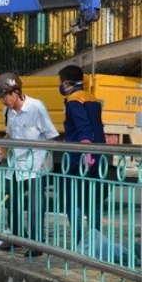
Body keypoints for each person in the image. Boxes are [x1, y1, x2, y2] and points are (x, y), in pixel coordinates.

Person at [0, 73, 59, 258]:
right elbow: (10, 133)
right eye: (1, 98)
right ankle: (15, 237)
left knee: (35, 205)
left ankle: (36, 244)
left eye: (5, 96)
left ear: (16, 92)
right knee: (11, 202)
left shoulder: (36, 107)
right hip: (15, 165)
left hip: (35, 165)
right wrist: (3, 146)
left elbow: (51, 136)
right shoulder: (7, 112)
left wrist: (43, 159)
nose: (3, 101)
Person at [57, 64, 106, 247]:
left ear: (67, 82)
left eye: (61, 82)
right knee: (93, 200)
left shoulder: (73, 99)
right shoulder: (92, 99)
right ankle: (96, 241)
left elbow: (82, 126)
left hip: (79, 156)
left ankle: (79, 243)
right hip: (97, 156)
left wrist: (85, 150)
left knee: (73, 200)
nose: (60, 86)